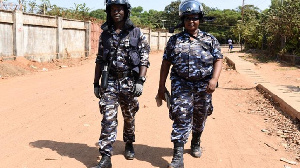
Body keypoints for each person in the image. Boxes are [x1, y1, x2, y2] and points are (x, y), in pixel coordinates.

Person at [157, 0, 223, 167]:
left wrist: (214, 80)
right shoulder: (174, 41)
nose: (191, 21)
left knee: (200, 116)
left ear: (199, 19)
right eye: (187, 18)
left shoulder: (210, 40)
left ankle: (196, 141)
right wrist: (161, 86)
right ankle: (178, 157)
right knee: (180, 116)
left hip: (204, 85)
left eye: (194, 18)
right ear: (182, 20)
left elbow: (218, 59)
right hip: (181, 84)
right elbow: (166, 64)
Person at [93, 0, 150, 167]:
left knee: (129, 116)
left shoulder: (136, 33)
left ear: (126, 11)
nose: (116, 12)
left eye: (119, 9)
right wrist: (96, 83)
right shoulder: (105, 34)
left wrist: (140, 80)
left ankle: (129, 142)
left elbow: (144, 59)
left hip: (129, 81)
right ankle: (105, 157)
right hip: (109, 80)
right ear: (109, 12)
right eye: (113, 9)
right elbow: (99, 60)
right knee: (108, 118)